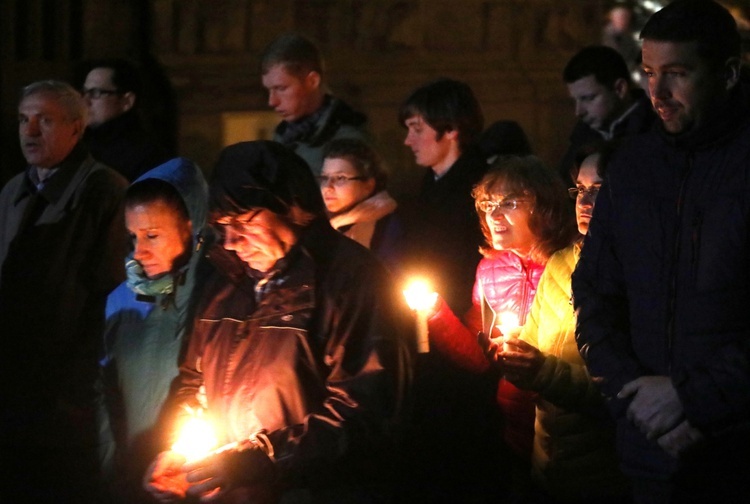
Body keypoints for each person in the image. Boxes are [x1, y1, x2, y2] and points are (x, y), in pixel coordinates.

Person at [143, 141, 411, 504]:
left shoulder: (349, 279)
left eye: (244, 221)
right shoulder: (225, 282)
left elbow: (363, 408)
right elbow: (194, 382)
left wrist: (265, 457)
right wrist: (181, 449)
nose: (233, 241)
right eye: (223, 225)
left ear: (291, 207)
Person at [572, 1, 750, 502]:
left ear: (728, 73)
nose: (657, 94)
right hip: (647, 453)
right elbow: (594, 290)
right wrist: (633, 398)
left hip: (735, 453)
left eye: (677, 74)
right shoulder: (631, 167)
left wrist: (693, 401)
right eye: (649, 72)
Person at [404, 156, 578, 503]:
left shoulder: (572, 265)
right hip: (511, 427)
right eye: (487, 204)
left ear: (545, 206)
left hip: (568, 425)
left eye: (510, 203)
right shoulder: (489, 269)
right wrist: (435, 312)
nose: (494, 215)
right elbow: (480, 359)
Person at [0, 80, 128, 502]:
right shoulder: (13, 193)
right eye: (23, 119)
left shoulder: (103, 192)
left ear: (76, 128)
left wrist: (77, 383)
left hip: (65, 395)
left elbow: (106, 293)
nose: (30, 131)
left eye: (45, 120)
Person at [484, 143, 630, 504]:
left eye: (598, 189)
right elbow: (534, 348)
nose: (584, 201)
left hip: (604, 471)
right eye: (580, 189)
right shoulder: (563, 262)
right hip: (547, 459)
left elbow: (623, 390)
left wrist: (541, 371)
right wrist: (514, 352)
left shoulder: (637, 275)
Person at [98, 157, 209, 503]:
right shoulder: (120, 302)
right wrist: (111, 476)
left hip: (193, 483)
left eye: (153, 235)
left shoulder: (217, 300)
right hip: (130, 482)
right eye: (133, 236)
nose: (139, 251)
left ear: (191, 227)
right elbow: (103, 398)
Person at [399, 77, 488, 315]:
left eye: (417, 129)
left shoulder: (482, 189)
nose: (408, 141)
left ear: (451, 129)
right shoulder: (430, 184)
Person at [261, 33, 370, 174]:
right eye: (269, 90)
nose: (272, 101)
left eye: (281, 88)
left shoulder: (349, 138)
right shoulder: (283, 135)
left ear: (312, 81)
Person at [559, 45, 656, 185]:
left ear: (620, 89)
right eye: (576, 100)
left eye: (589, 98)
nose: (579, 111)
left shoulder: (653, 129)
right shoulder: (582, 135)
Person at [320, 137, 405, 273]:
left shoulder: (387, 227)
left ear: (368, 185)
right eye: (324, 178)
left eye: (340, 178)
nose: (327, 187)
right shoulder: (322, 223)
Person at [81, 58, 169, 181]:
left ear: (127, 101)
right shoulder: (78, 144)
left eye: (96, 93)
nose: (85, 101)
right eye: (84, 92)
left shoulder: (146, 156)